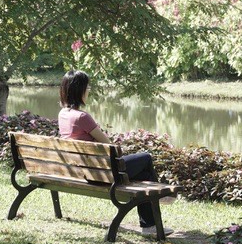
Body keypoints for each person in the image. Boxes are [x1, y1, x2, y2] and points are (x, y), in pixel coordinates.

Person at [58, 69, 170, 235]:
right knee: (146, 158)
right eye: (87, 87)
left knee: (144, 175)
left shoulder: (63, 114)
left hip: (82, 172)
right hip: (101, 175)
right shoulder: (82, 117)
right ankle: (159, 198)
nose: (88, 91)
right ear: (79, 90)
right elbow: (110, 146)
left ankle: (150, 223)